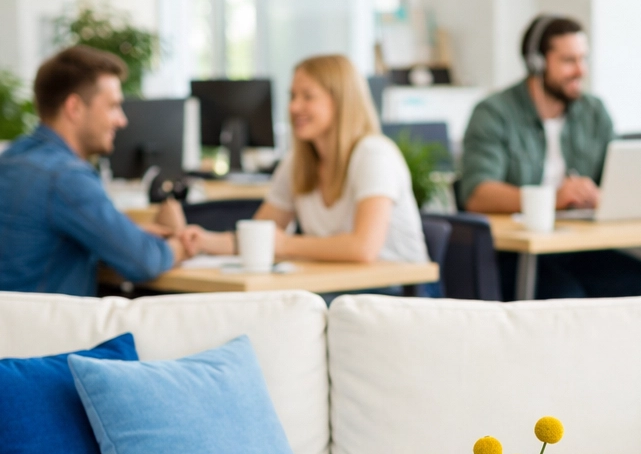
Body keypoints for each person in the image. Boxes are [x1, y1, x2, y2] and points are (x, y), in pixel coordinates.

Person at [459, 14, 641, 299]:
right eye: (568, 61)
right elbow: (478, 194)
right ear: (536, 63)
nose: (580, 71)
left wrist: (605, 196)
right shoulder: (493, 113)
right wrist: (553, 198)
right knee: (566, 298)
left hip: (581, 246)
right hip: (516, 254)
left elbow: (618, 178)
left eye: (583, 59)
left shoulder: (594, 111)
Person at [188, 54, 428, 274]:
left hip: (399, 292)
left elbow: (363, 249)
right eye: (292, 96)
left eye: (308, 96)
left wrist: (285, 244)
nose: (293, 107)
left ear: (341, 101)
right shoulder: (297, 162)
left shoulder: (374, 154)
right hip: (340, 286)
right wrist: (203, 241)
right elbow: (260, 235)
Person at [0, 46, 190, 296]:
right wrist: (181, 246)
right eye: (113, 106)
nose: (121, 120)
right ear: (74, 108)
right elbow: (144, 261)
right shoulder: (66, 176)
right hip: (47, 333)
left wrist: (129, 233)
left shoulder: (12, 158)